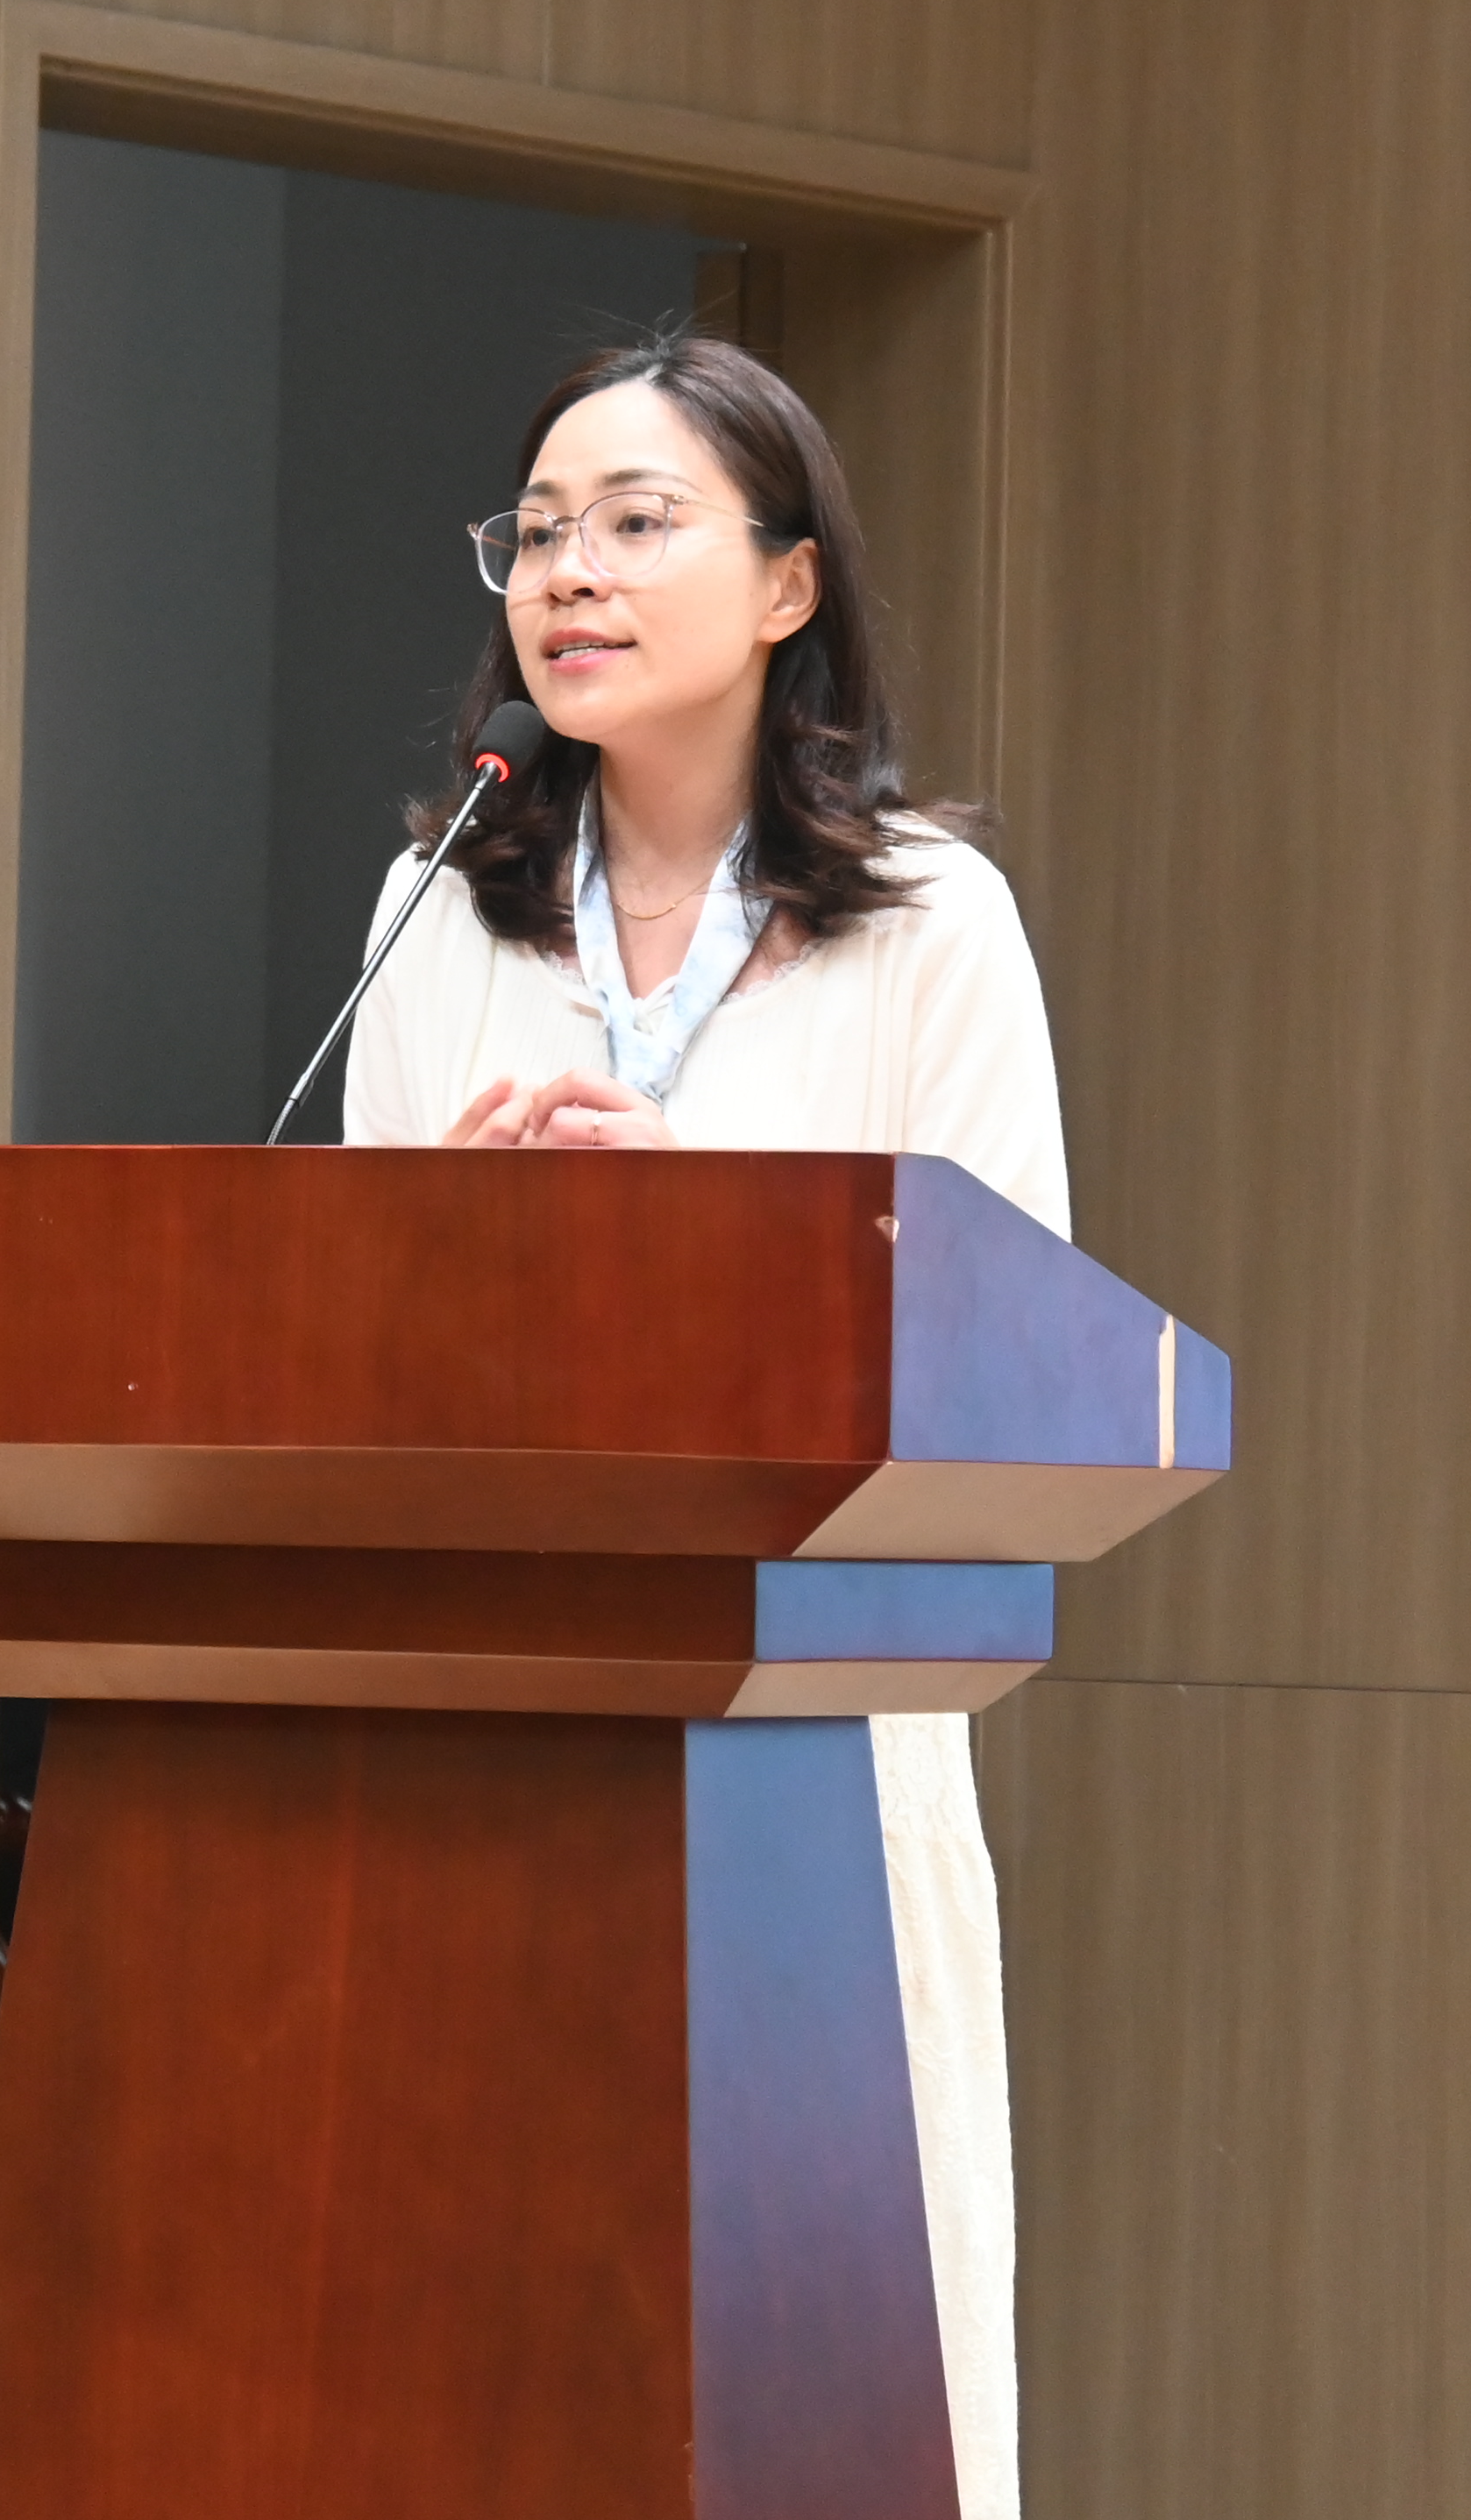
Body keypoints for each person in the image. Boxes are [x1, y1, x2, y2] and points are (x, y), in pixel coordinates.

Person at [340, 329, 1056, 2520]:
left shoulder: (929, 924)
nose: (570, 570)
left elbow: (1006, 1372)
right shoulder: (435, 912)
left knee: (812, 2404)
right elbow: (350, 1364)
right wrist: (456, 1267)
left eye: (638, 521)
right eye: (540, 529)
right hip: (499, 1750)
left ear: (786, 583)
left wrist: (707, 1245)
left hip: (810, 1765)